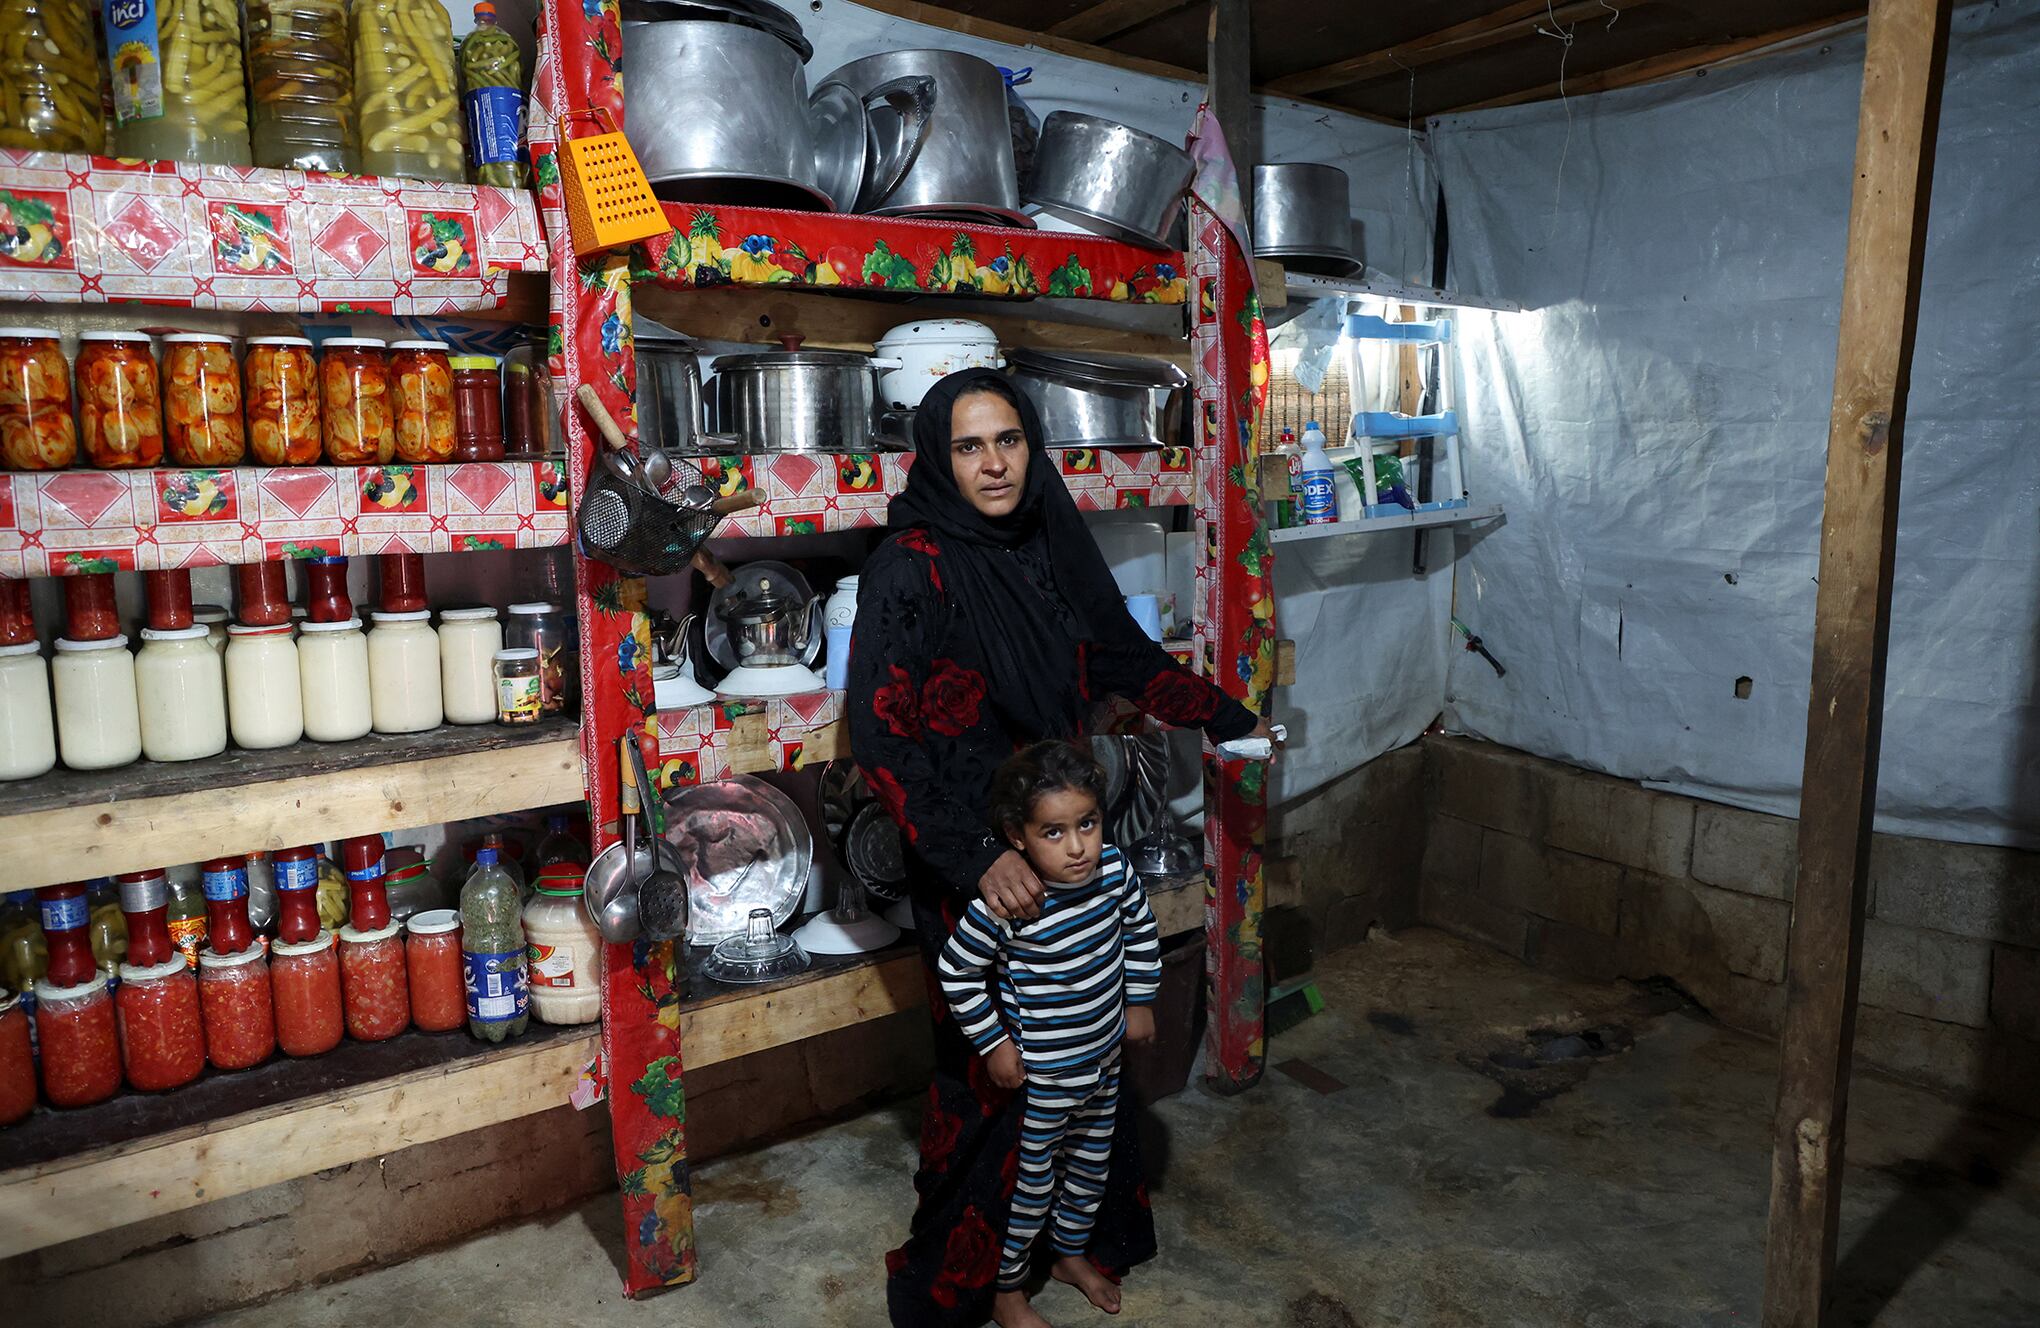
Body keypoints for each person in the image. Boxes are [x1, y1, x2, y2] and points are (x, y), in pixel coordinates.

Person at [847, 368, 1275, 1326]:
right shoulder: (909, 565)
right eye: (968, 446)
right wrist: (976, 857)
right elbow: (882, 740)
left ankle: (1074, 1244)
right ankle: (985, 1285)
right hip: (975, 864)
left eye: (1008, 440)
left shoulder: (1049, 533)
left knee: (1085, 1062)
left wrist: (1226, 717)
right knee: (997, 1078)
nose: (994, 464)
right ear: (939, 460)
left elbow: (1121, 654)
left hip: (1062, 842)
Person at [937, 740, 1160, 1328]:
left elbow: (1140, 931)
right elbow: (957, 971)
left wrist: (1140, 1001)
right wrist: (994, 1044)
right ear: (1018, 836)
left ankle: (1068, 1256)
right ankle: (1008, 1289)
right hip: (1046, 1081)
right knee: (1030, 1187)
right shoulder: (1012, 902)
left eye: (1087, 823)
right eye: (1054, 832)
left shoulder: (1114, 870)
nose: (1078, 846)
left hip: (1105, 1065)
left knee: (1089, 1170)